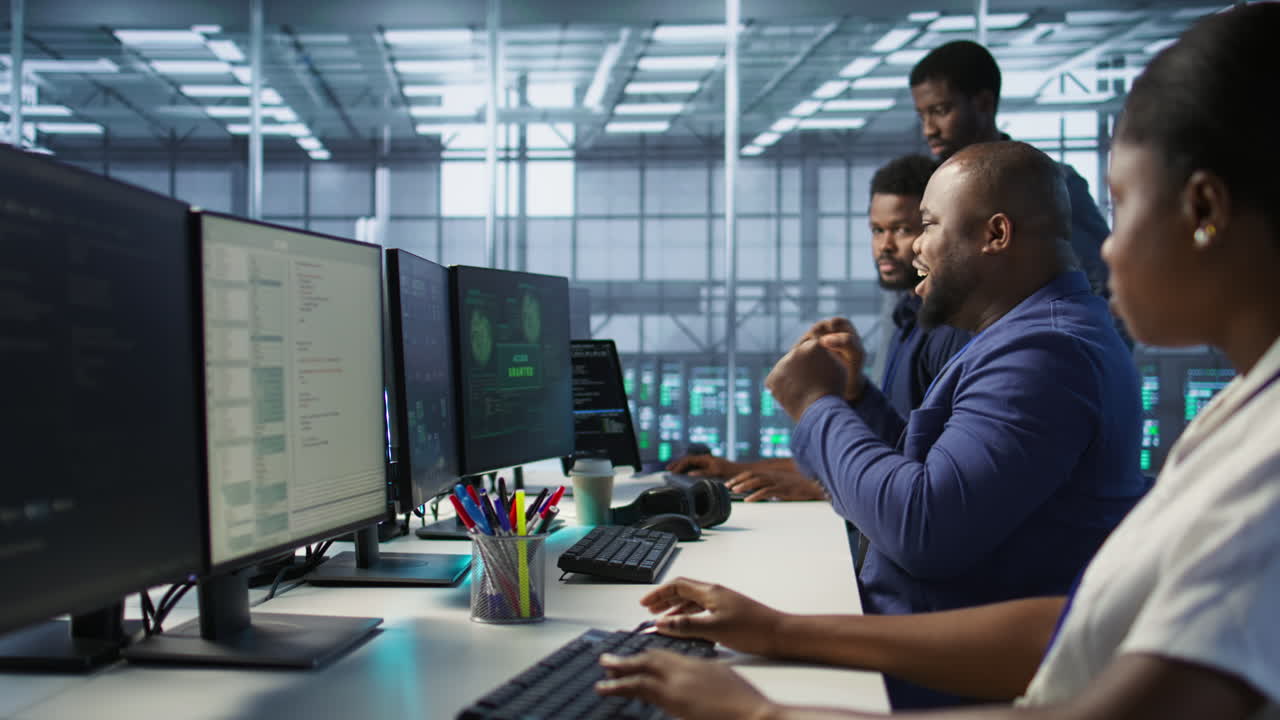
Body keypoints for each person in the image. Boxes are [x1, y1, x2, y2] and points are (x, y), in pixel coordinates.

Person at [595, 5, 1280, 718]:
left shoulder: (1059, 355)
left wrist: (764, 713)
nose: (1101, 247)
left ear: (1204, 208)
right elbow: (1076, 628)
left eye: (1124, 202)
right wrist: (779, 630)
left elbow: (929, 528)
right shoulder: (1241, 413)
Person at [666, 155, 968, 503]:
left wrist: (822, 486)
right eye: (877, 230)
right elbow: (891, 447)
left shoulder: (951, 331)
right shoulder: (905, 320)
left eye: (902, 229)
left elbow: (923, 477)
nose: (885, 245)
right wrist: (732, 469)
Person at [910, 40, 1113, 302]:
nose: (929, 129)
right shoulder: (932, 193)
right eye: (922, 116)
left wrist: (1076, 341)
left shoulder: (1049, 185)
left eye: (940, 111)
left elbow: (1104, 283)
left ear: (984, 103)